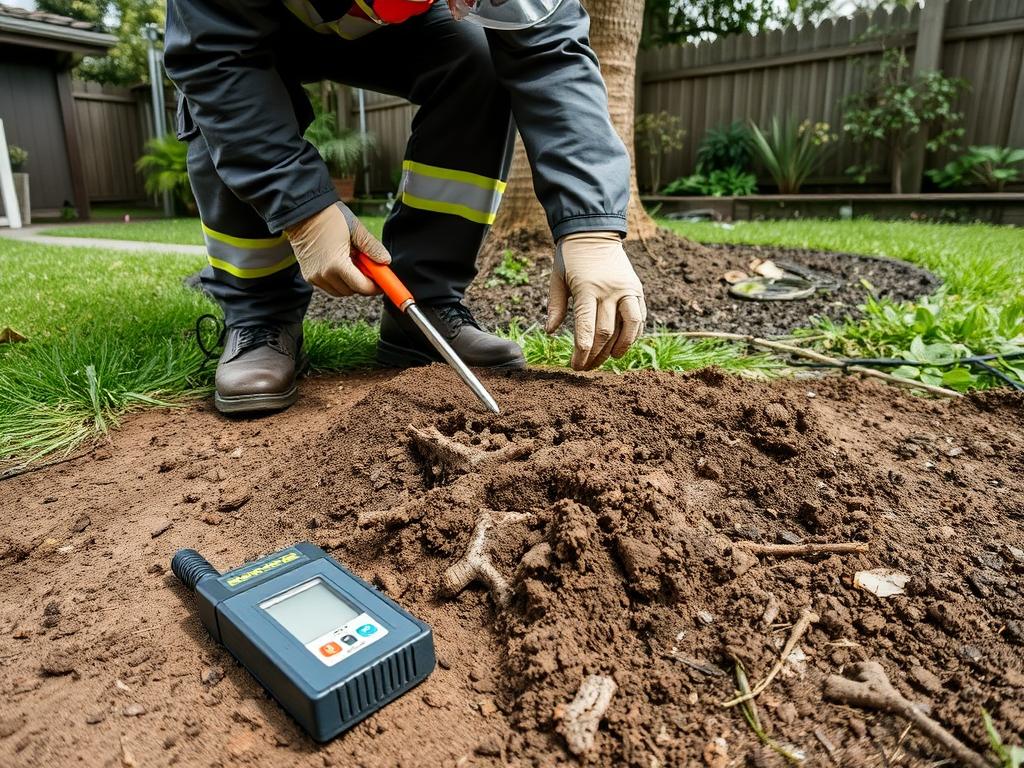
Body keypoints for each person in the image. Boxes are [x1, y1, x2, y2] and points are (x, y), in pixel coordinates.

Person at [164, 0, 647, 414]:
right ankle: (258, 314)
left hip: (399, 22)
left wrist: (591, 227)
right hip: (254, 21)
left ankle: (423, 304)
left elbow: (551, 54)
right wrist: (303, 209)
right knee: (224, 102)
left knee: (478, 58)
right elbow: (215, 57)